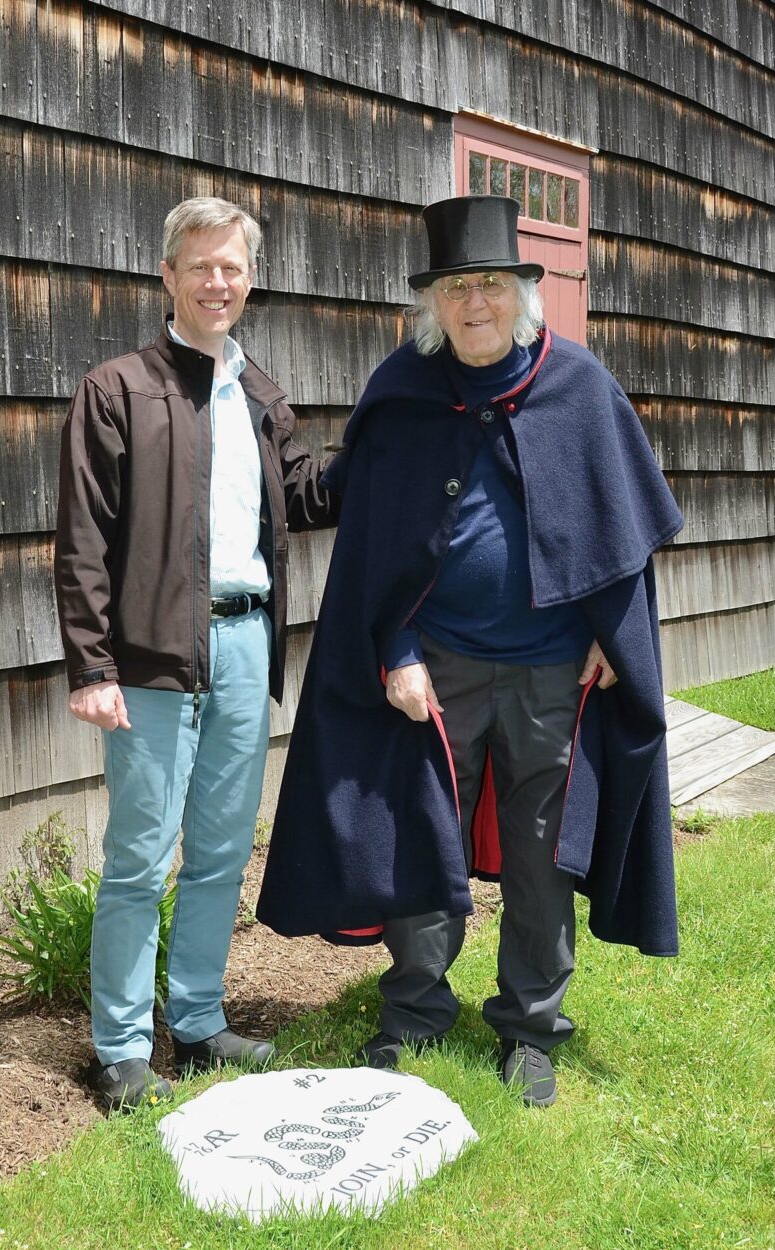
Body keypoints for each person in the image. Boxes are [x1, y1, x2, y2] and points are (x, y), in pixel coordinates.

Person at [256, 195, 684, 1107]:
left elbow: (624, 528)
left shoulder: (580, 388)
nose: (474, 302)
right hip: (436, 665)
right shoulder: (403, 392)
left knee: (541, 855)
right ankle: (414, 1011)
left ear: (525, 292)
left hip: (552, 670)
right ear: (433, 303)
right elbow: (373, 543)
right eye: (456, 287)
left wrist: (615, 636)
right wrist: (396, 646)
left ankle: (530, 1029)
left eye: (491, 283)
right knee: (419, 836)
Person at [54, 197, 339, 1111]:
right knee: (141, 854)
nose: (219, 282)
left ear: (249, 280)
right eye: (202, 266)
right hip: (151, 655)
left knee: (219, 848)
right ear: (168, 275)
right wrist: (92, 668)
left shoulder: (259, 392)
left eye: (234, 267)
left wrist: (381, 444)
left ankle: (200, 1020)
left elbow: (299, 495)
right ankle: (123, 1045)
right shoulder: (118, 389)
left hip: (249, 639)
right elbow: (84, 540)